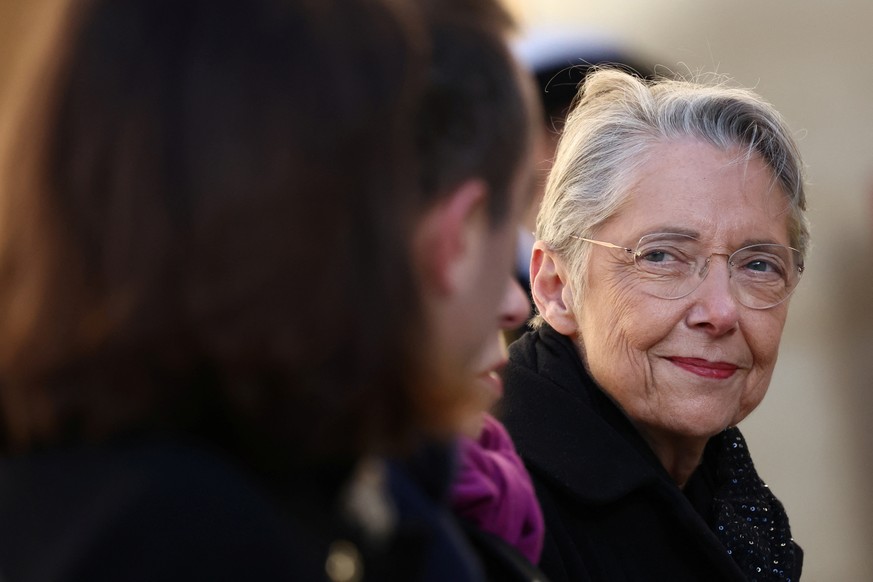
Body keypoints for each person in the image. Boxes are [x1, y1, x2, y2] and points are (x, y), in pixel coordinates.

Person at [0, 0, 536, 579]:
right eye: (519, 209)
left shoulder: (84, 489)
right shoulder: (214, 538)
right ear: (456, 236)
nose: (516, 300)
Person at [500, 68, 807, 581]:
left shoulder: (727, 492)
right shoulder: (490, 501)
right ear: (556, 286)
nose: (720, 311)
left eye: (758, 265)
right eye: (662, 257)